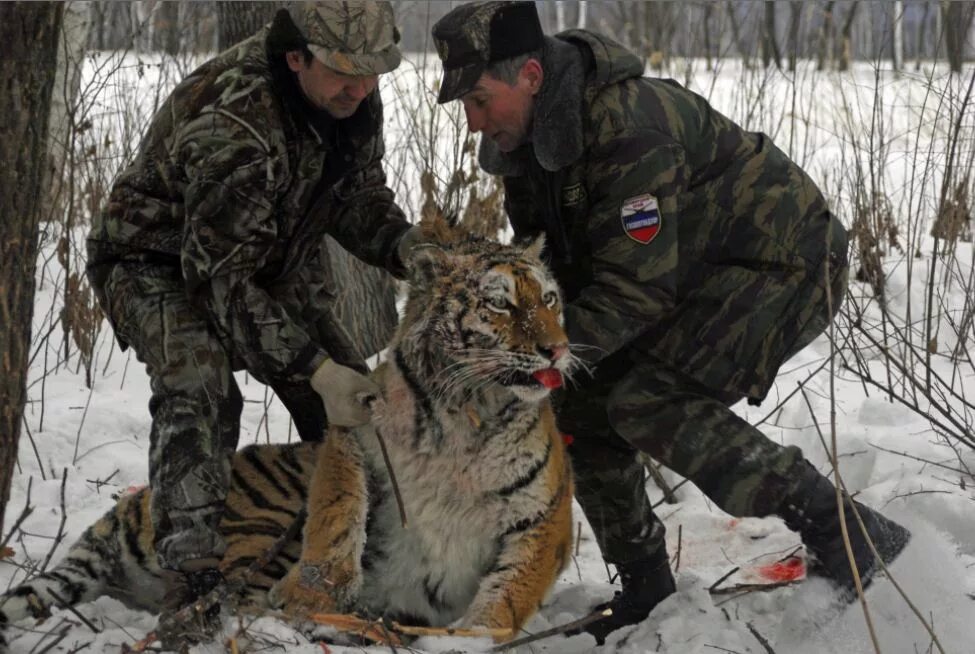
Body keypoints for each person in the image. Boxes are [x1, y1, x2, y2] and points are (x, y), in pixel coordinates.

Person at [431, 1, 911, 643]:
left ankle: (851, 537)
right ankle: (646, 584)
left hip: (781, 265)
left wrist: (540, 361)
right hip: (687, 277)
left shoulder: (629, 129)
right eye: (463, 105)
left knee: (648, 402)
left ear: (531, 78)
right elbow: (560, 284)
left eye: (480, 100)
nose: (473, 122)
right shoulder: (526, 145)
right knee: (573, 403)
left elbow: (634, 290)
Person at [85, 0, 423, 628]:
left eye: (373, 74)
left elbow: (358, 197)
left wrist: (409, 248)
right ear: (296, 57)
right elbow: (220, 285)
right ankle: (192, 576)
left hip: (263, 257)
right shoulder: (234, 120)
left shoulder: (349, 94)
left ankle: (352, 549)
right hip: (152, 262)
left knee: (359, 406)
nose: (361, 88)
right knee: (201, 382)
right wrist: (313, 369)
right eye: (345, 74)